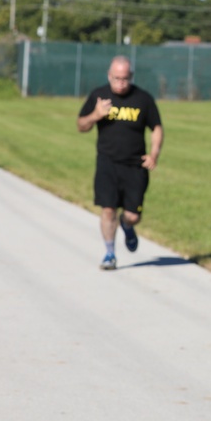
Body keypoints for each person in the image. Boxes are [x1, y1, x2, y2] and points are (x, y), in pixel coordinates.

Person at [77, 56, 163, 270]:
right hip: (107, 163)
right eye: (116, 78)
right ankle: (109, 253)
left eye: (125, 79)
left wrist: (154, 154)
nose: (120, 83)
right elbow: (81, 125)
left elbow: (157, 128)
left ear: (131, 77)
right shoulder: (99, 96)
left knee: (133, 215)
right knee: (108, 210)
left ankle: (127, 225)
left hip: (135, 166)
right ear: (109, 76)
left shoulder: (143, 99)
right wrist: (96, 115)